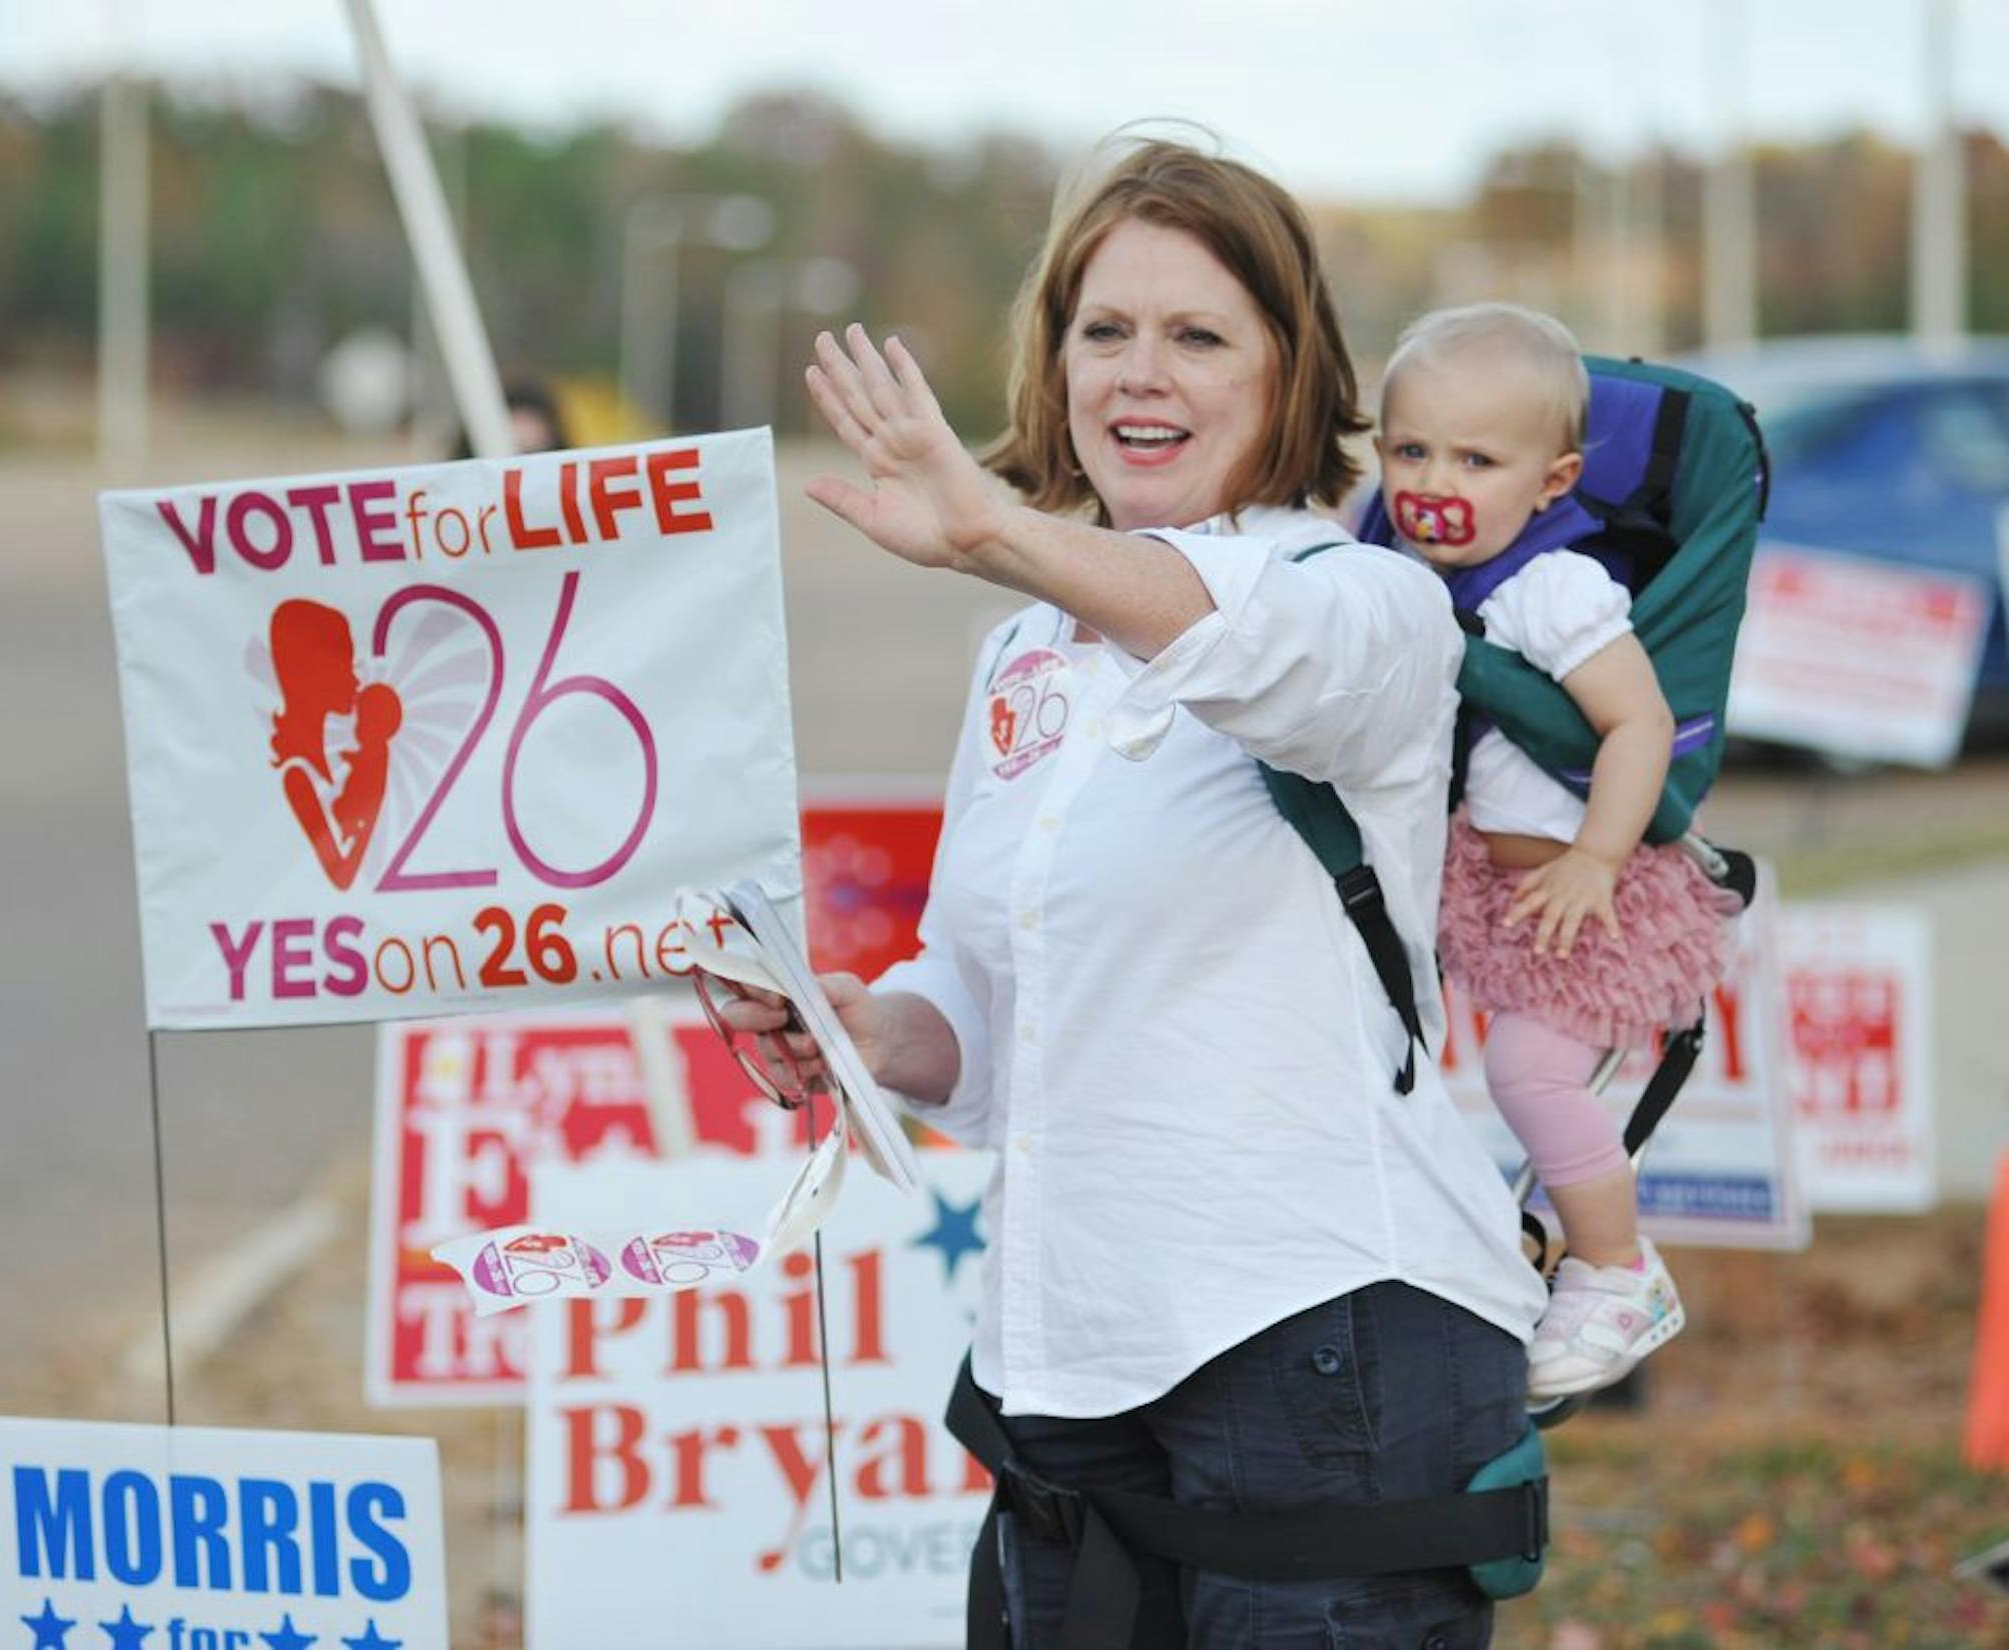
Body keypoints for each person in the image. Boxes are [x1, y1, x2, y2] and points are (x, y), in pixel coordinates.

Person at [717, 140, 1546, 1648]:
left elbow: (1247, 651)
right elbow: (985, 997)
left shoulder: (1371, 600)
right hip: (1073, 1357)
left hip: (1323, 1334)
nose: (1138, 375)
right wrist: (865, 1030)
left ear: (1291, 376)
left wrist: (990, 529)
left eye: (1198, 334)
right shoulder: (1026, 649)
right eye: (1105, 331)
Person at [1374, 303, 1734, 1401]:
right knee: (1487, 1078)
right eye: (1410, 450)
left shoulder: (1550, 587)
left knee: (1529, 1075)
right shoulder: (1398, 566)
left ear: (1551, 479)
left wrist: (1596, 856)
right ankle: (1538, 1245)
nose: (1436, 478)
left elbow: (1639, 727)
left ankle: (1622, 1271)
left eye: (1478, 459)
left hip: (1598, 889)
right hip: (1510, 894)